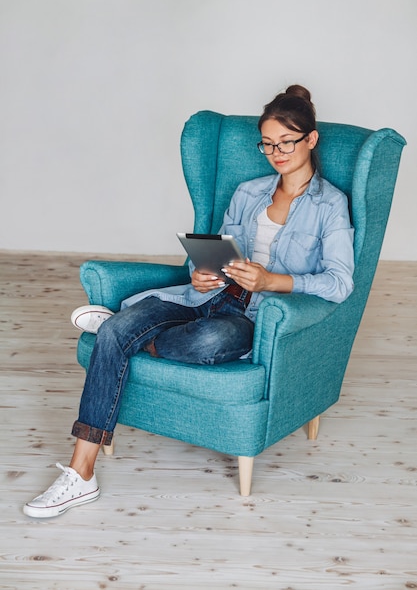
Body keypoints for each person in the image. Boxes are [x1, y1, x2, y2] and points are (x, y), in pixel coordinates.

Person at [23, 85, 354, 518]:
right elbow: (222, 250)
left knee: (203, 340)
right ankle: (80, 473)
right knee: (126, 329)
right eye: (268, 144)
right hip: (208, 295)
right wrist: (205, 273)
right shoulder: (248, 192)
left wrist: (272, 280)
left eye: (287, 142)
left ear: (310, 139)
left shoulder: (331, 205)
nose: (277, 152)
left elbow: (340, 282)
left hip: (251, 317)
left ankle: (118, 330)